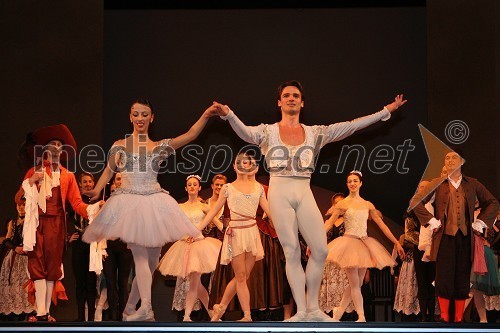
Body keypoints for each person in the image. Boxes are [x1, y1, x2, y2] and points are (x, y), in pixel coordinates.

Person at [213, 80, 406, 321]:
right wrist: (229, 115)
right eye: (286, 95)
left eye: (295, 95)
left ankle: (313, 308)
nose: (291, 98)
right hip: (280, 190)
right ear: (279, 102)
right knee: (292, 250)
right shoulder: (268, 132)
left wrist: (385, 112)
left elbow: (351, 126)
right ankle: (302, 311)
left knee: (321, 250)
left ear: (302, 102)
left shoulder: (315, 133)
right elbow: (246, 133)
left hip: (303, 189)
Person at [83, 98, 218, 321]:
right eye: (135, 114)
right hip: (130, 203)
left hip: (154, 201)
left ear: (151, 118)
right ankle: (146, 307)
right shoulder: (120, 145)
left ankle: (128, 308)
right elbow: (109, 170)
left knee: (152, 261)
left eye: (144, 114)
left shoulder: (158, 147)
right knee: (140, 257)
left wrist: (205, 115)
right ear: (130, 117)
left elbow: (189, 136)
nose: (139, 118)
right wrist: (97, 190)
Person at [410, 151, 499, 323]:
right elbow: (416, 201)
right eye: (447, 158)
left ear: (462, 162)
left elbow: (493, 202)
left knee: (462, 277)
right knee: (444, 276)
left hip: (466, 238)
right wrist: (431, 221)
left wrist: (480, 222)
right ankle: (444, 316)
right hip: (444, 238)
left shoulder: (472, 183)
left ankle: (458, 318)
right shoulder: (438, 183)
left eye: (454, 157)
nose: (450, 160)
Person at [19, 124, 95, 322]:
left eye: (58, 145)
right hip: (37, 225)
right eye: (52, 144)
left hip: (57, 225)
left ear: (62, 151)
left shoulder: (67, 176)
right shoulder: (33, 171)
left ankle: (46, 312)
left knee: (53, 268)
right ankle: (41, 312)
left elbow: (77, 204)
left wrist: (94, 209)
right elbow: (18, 199)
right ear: (45, 149)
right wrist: (31, 182)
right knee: (37, 265)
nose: (55, 147)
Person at [325, 171, 405, 322]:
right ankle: (362, 317)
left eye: (355, 181)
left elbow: (383, 226)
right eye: (350, 181)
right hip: (349, 243)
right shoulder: (343, 203)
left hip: (364, 243)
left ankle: (338, 311)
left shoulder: (367, 204)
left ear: (361, 183)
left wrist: (396, 242)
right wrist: (315, 239)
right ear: (347, 184)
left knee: (358, 283)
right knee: (355, 284)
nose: (353, 184)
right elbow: (329, 223)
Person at [200, 153, 272, 322]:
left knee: (244, 276)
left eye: (246, 162)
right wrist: (197, 229)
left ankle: (220, 309)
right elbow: (213, 212)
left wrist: (284, 226)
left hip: (252, 232)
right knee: (240, 276)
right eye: (239, 162)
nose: (243, 165)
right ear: (234, 166)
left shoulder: (258, 188)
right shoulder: (228, 188)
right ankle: (247, 316)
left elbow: (269, 211)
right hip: (236, 233)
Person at [157, 174, 222, 322]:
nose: (192, 187)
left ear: (199, 187)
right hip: (185, 245)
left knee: (194, 282)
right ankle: (213, 314)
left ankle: (188, 316)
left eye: (195, 184)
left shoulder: (204, 206)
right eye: (190, 185)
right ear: (186, 188)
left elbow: (219, 224)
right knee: (196, 283)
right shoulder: (180, 207)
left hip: (199, 245)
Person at [100, 172, 134, 322]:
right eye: (118, 179)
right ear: (114, 182)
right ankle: (113, 317)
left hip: (125, 245)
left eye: (123, 179)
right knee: (110, 282)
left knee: (123, 282)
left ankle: (123, 317)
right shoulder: (106, 202)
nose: (120, 182)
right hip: (109, 246)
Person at [67, 172, 98, 321]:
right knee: (80, 283)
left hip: (93, 244)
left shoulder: (98, 200)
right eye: (84, 182)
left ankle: (91, 319)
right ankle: (80, 318)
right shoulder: (74, 201)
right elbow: (63, 218)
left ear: (93, 183)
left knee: (91, 282)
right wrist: (68, 236)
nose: (87, 184)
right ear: (79, 184)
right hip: (79, 243)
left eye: (90, 181)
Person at [0, 190, 35, 320]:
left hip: (26, 259)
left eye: (23, 205)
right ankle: (12, 315)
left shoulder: (32, 222)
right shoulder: (12, 222)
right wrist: (15, 248)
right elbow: (7, 240)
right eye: (19, 205)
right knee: (11, 286)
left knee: (25, 286)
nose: (21, 208)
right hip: (13, 259)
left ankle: (27, 314)